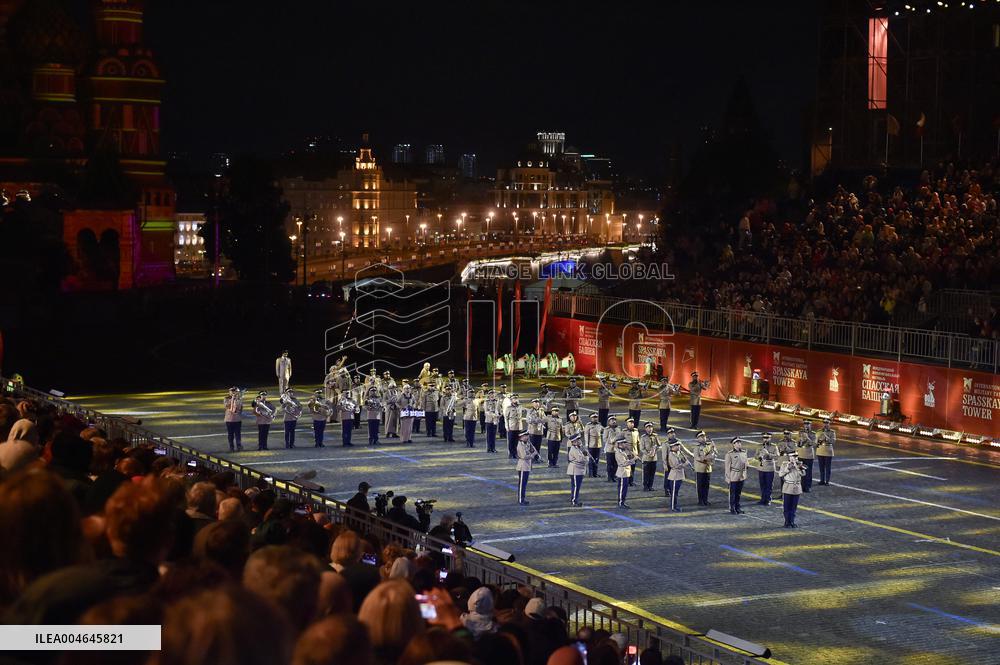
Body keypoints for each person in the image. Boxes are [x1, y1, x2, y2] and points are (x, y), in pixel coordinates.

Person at [779, 452, 804, 528]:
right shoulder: (784, 464)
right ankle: (787, 522)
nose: (795, 458)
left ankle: (792, 521)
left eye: (796, 456)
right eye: (793, 456)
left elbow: (803, 474)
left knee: (793, 506)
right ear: (789, 457)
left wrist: (797, 467)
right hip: (788, 486)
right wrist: (788, 468)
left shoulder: (799, 464)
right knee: (787, 506)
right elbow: (780, 474)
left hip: (796, 486)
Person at [724, 437, 748, 514]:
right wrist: (728, 477)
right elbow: (727, 467)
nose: (739, 444)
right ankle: (732, 508)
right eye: (737, 443)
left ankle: (738, 507)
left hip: (741, 476)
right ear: (733, 445)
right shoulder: (730, 454)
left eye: (740, 442)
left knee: (738, 493)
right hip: (733, 475)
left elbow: (746, 464)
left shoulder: (744, 452)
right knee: (733, 493)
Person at [693, 431, 717, 506]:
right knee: (700, 486)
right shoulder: (696, 447)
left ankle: (705, 500)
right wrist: (708, 457)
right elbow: (698, 458)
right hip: (700, 469)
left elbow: (715, 454)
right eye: (701, 437)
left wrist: (713, 447)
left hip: (708, 469)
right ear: (698, 439)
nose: (704, 438)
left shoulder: (709, 445)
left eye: (704, 436)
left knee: (706, 485)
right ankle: (700, 501)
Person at [666, 439, 690, 512]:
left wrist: (684, 459)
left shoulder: (678, 453)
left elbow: (681, 460)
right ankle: (673, 507)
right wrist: (685, 464)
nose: (679, 446)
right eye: (677, 445)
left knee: (676, 492)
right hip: (674, 476)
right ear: (672, 446)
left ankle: (675, 506)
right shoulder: (671, 454)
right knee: (674, 493)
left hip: (679, 475)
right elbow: (676, 466)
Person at [755, 432, 779, 505]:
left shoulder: (774, 446)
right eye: (764, 438)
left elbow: (777, 456)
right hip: (761, 467)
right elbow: (755, 456)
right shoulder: (759, 446)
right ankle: (763, 498)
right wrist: (759, 456)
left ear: (770, 438)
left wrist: (768, 454)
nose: (765, 439)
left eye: (767, 438)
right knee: (762, 484)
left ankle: (768, 499)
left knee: (769, 484)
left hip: (769, 467)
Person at [566, 432, 588, 507]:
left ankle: (574, 499)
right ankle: (574, 501)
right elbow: (580, 459)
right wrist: (585, 455)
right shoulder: (574, 449)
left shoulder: (578, 448)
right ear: (574, 442)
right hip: (575, 470)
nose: (580, 441)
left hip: (578, 470)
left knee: (576, 486)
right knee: (576, 487)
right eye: (578, 440)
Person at [613, 435, 634, 509]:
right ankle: (621, 502)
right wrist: (633, 460)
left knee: (624, 488)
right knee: (622, 489)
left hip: (625, 472)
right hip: (622, 472)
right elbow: (624, 463)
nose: (625, 444)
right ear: (620, 444)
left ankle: (622, 501)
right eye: (624, 443)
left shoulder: (623, 451)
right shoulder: (618, 453)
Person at [796, 419, 816, 492]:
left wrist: (807, 437)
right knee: (800, 470)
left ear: (810, 425)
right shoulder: (800, 432)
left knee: (808, 471)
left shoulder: (813, 433)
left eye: (808, 424)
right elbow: (798, 443)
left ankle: (807, 486)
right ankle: (801, 485)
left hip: (809, 454)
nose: (806, 425)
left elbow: (814, 444)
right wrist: (800, 440)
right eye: (805, 424)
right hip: (801, 453)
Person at [639, 422, 660, 491]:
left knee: (652, 473)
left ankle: (650, 486)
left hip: (654, 458)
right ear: (645, 429)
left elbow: (659, 445)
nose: (649, 429)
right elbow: (642, 448)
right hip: (646, 458)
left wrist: (655, 450)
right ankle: (645, 486)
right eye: (648, 427)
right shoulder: (643, 437)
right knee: (646, 473)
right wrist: (648, 453)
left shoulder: (655, 436)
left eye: (651, 427)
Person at [516, 431, 535, 505]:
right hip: (522, 466)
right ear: (521, 437)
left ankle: (523, 498)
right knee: (522, 484)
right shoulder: (520, 445)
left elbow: (533, 450)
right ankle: (521, 500)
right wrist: (532, 455)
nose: (527, 437)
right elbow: (524, 456)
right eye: (525, 436)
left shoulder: (527, 443)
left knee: (524, 484)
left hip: (527, 466)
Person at [505, 395, 527, 460]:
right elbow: (506, 418)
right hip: (511, 426)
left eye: (516, 399)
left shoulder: (520, 406)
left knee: (517, 441)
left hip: (519, 426)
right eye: (514, 399)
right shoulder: (508, 408)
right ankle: (511, 454)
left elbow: (525, 411)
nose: (515, 400)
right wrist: (507, 426)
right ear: (511, 400)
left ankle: (516, 453)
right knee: (511, 441)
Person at [601, 415, 622, 482]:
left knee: (616, 464)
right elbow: (604, 439)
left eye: (614, 420)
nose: (614, 421)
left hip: (617, 449)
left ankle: (614, 476)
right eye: (612, 420)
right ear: (609, 421)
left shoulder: (618, 429)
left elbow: (621, 437)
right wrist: (611, 441)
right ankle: (610, 477)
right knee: (610, 465)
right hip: (609, 449)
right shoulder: (606, 429)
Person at [816, 418, 837, 485]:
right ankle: (822, 480)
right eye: (824, 423)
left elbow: (833, 441)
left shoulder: (832, 432)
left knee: (828, 468)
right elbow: (816, 441)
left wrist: (826, 435)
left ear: (829, 424)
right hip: (820, 450)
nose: (825, 424)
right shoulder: (819, 431)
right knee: (821, 467)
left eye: (827, 423)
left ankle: (827, 481)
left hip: (828, 451)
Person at [224, 387, 244, 452]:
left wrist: (237, 399)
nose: (233, 392)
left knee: (238, 434)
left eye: (234, 391)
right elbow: (227, 406)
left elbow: (239, 407)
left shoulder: (239, 399)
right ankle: (231, 447)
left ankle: (239, 446)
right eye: (232, 391)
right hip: (229, 419)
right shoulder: (226, 399)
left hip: (237, 419)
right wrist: (233, 399)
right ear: (229, 392)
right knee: (230, 434)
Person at [583, 412, 602, 478]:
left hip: (598, 445)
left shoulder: (599, 425)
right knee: (591, 460)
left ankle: (595, 473)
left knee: (596, 460)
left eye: (596, 417)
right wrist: (586, 444)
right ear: (591, 418)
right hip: (591, 445)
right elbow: (586, 435)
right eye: (593, 418)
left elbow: (603, 431)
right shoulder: (588, 426)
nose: (595, 419)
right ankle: (591, 474)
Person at [661, 428, 678, 497]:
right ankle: (667, 490)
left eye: (673, 433)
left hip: (676, 463)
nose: (673, 434)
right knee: (668, 477)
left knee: (675, 477)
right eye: (671, 433)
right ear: (668, 435)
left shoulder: (678, 442)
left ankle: (672, 490)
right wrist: (665, 465)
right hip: (669, 464)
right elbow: (664, 455)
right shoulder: (665, 444)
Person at [483, 389, 500, 453]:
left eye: (493, 394)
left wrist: (499, 415)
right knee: (489, 435)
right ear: (489, 395)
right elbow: (486, 411)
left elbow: (499, 410)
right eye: (491, 394)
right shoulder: (486, 402)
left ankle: (493, 448)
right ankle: (488, 448)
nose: (492, 395)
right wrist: (492, 415)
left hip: (495, 420)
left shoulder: (497, 401)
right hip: (489, 420)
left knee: (494, 435)